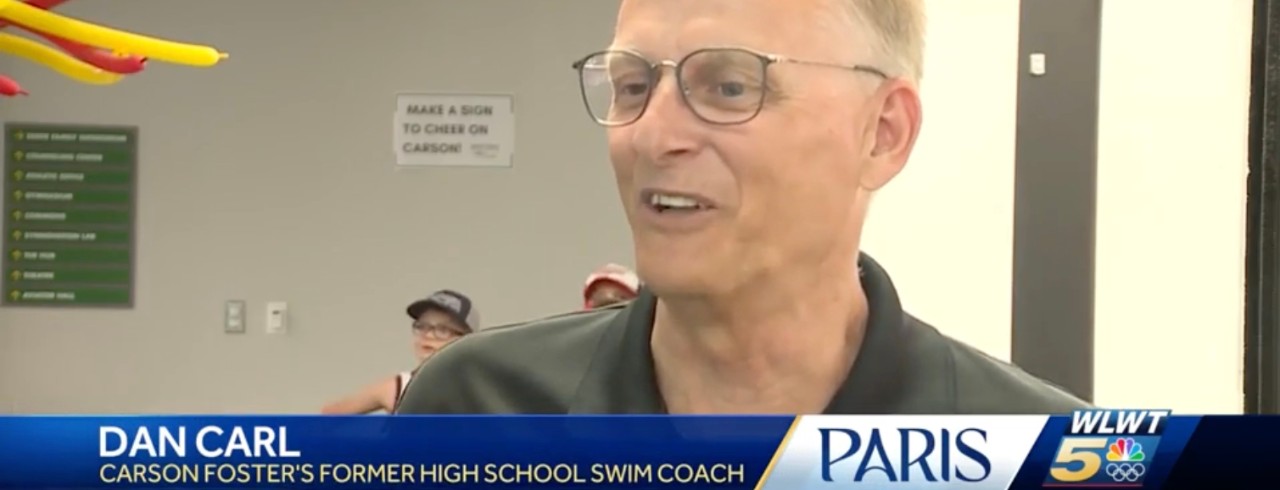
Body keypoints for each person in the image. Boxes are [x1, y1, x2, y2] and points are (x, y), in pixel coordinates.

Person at [398, 0, 1089, 414]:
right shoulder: (474, 410)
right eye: (632, 85)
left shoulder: (1039, 454)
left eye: (729, 86)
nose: (653, 135)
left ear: (883, 133)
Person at [321, 290, 478, 414]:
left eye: (443, 330)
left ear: (466, 340)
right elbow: (327, 417)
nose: (428, 335)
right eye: (422, 326)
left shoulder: (482, 389)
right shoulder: (397, 387)